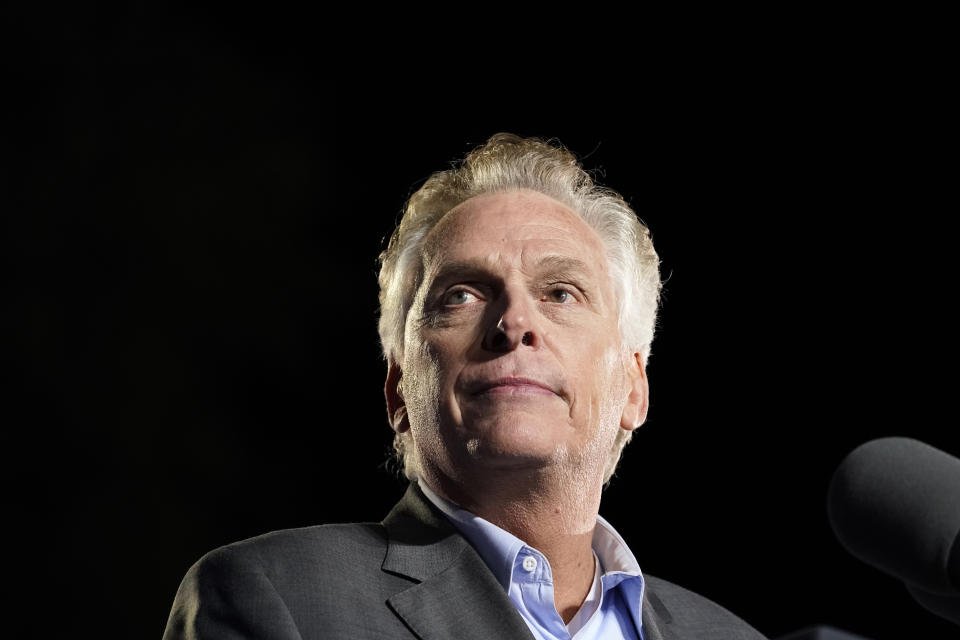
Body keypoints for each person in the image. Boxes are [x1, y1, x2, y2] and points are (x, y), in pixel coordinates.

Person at [162, 133, 768, 640]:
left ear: (634, 387)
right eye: (462, 295)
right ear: (399, 390)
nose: (514, 324)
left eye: (560, 293)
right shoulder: (279, 600)